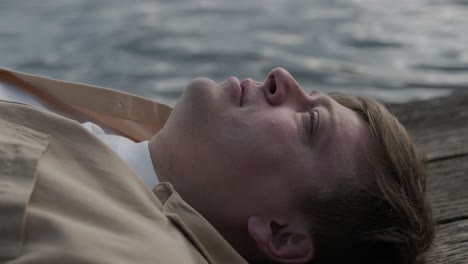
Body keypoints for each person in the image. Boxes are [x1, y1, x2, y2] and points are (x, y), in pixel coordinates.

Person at [0, 67, 434, 264]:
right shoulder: (137, 136)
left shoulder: (123, 252)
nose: (280, 77)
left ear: (280, 234)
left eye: (309, 121)